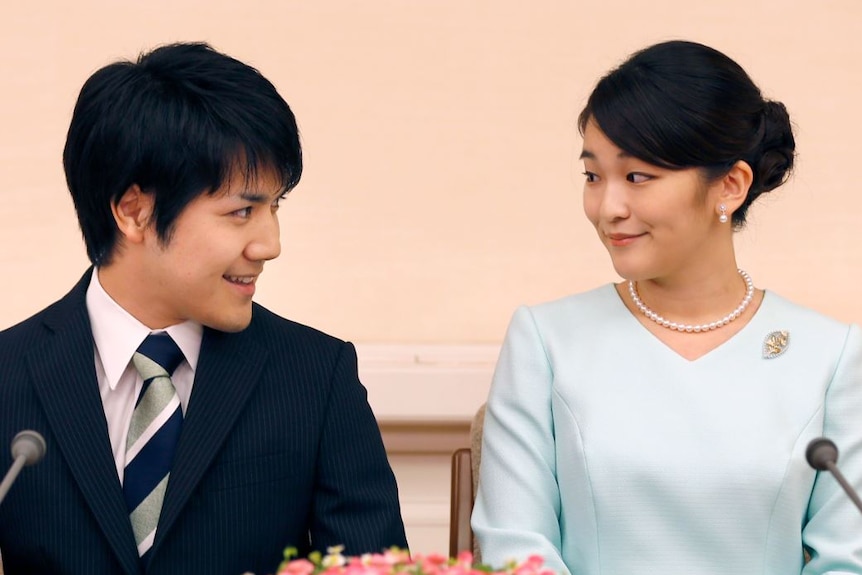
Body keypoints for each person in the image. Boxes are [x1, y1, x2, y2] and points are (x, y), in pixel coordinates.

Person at [0, 42, 407, 575]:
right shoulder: (8, 376)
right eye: (242, 211)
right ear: (134, 212)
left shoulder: (316, 377)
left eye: (274, 206)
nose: (269, 244)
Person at [471, 40, 862, 575]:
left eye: (637, 177)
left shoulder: (832, 355)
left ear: (730, 185)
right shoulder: (546, 340)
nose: (607, 208)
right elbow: (515, 549)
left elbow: (847, 561)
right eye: (593, 176)